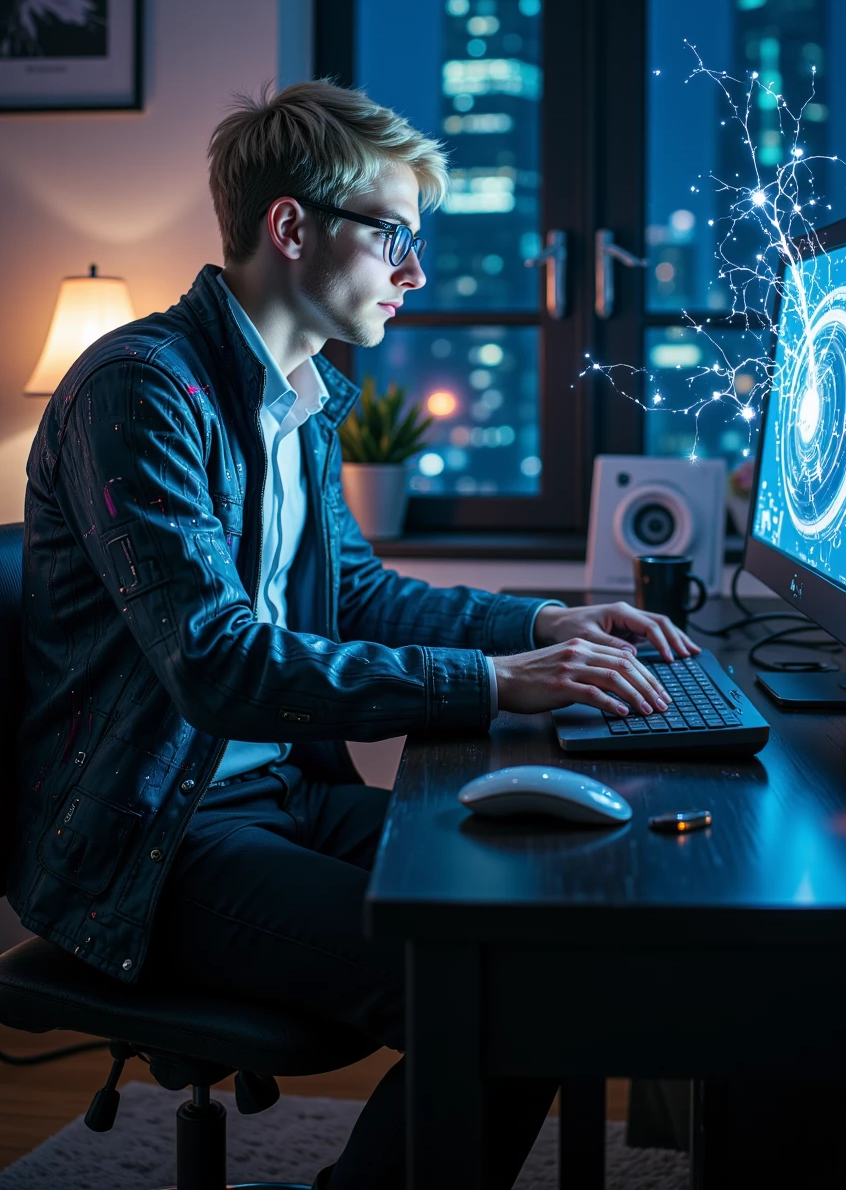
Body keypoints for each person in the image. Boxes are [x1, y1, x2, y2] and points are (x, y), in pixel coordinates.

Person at [10, 81, 697, 1189]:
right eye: (394, 238)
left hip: (267, 799)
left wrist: (541, 619)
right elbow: (218, 661)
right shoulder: (141, 392)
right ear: (293, 227)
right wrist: (492, 683)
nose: (415, 275)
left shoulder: (302, 398)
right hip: (152, 843)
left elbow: (360, 594)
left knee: (543, 931)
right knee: (505, 993)